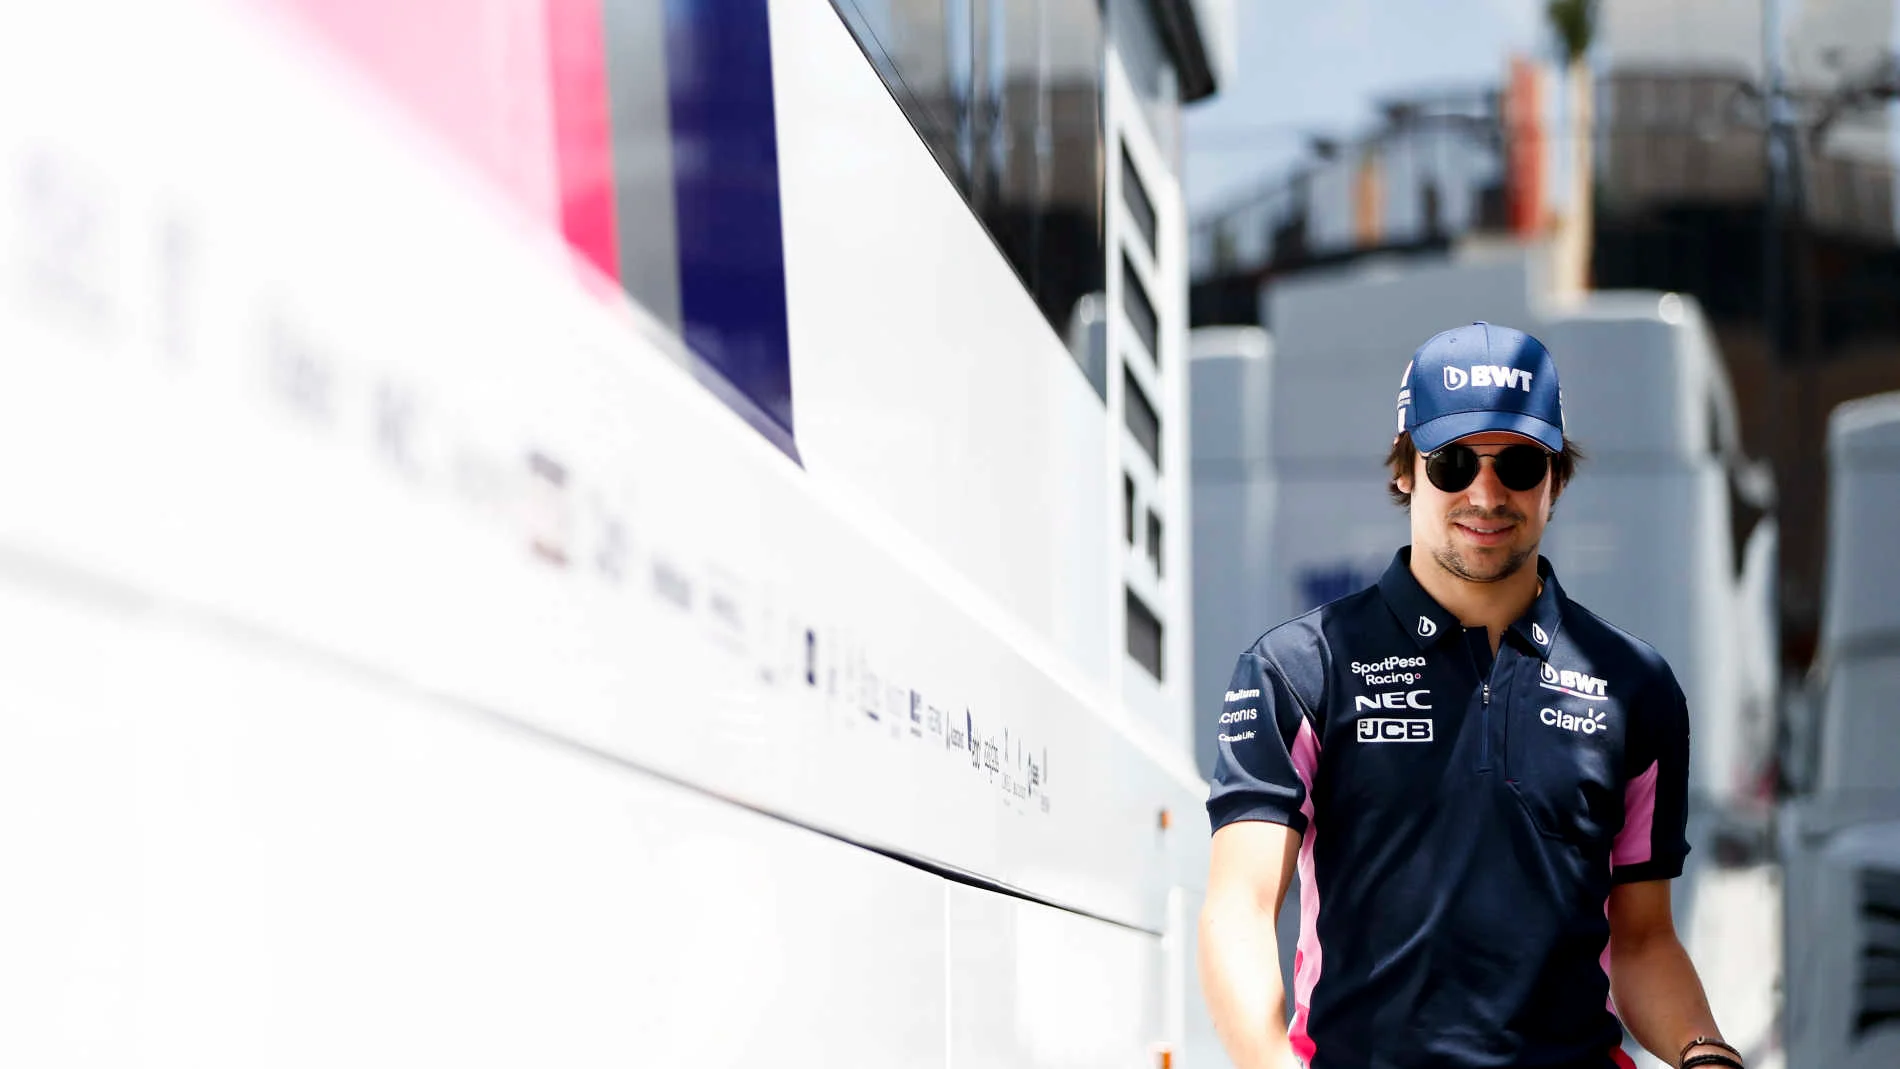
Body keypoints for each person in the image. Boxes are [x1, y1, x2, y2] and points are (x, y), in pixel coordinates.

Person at [1198, 323, 1742, 1069]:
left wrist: (1706, 1051)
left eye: (1518, 462)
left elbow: (1644, 939)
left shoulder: (1636, 687)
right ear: (1405, 471)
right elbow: (1240, 907)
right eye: (1452, 462)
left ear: (1554, 478)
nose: (1486, 494)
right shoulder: (1298, 669)